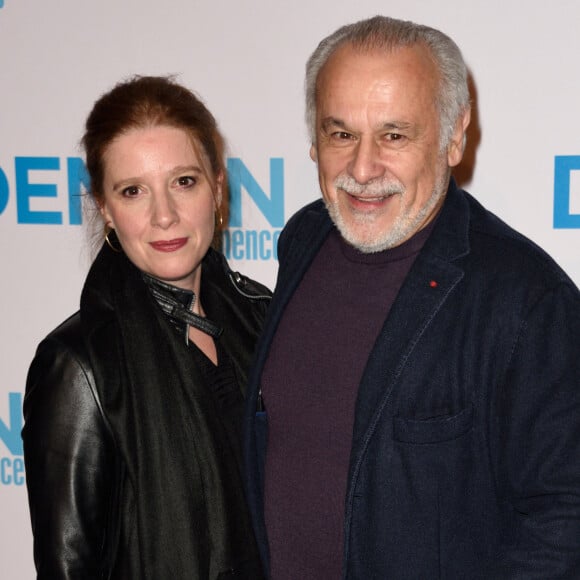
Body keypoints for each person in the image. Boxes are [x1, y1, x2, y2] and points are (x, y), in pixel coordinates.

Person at [244, 15, 580, 579]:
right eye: (341, 133)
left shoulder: (527, 302)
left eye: (394, 135)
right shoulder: (305, 238)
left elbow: (566, 515)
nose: (362, 168)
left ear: (454, 135)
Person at [23, 75, 270, 580]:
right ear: (106, 210)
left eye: (184, 181)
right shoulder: (79, 365)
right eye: (133, 191)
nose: (164, 215)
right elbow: (67, 568)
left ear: (217, 188)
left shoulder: (264, 321)